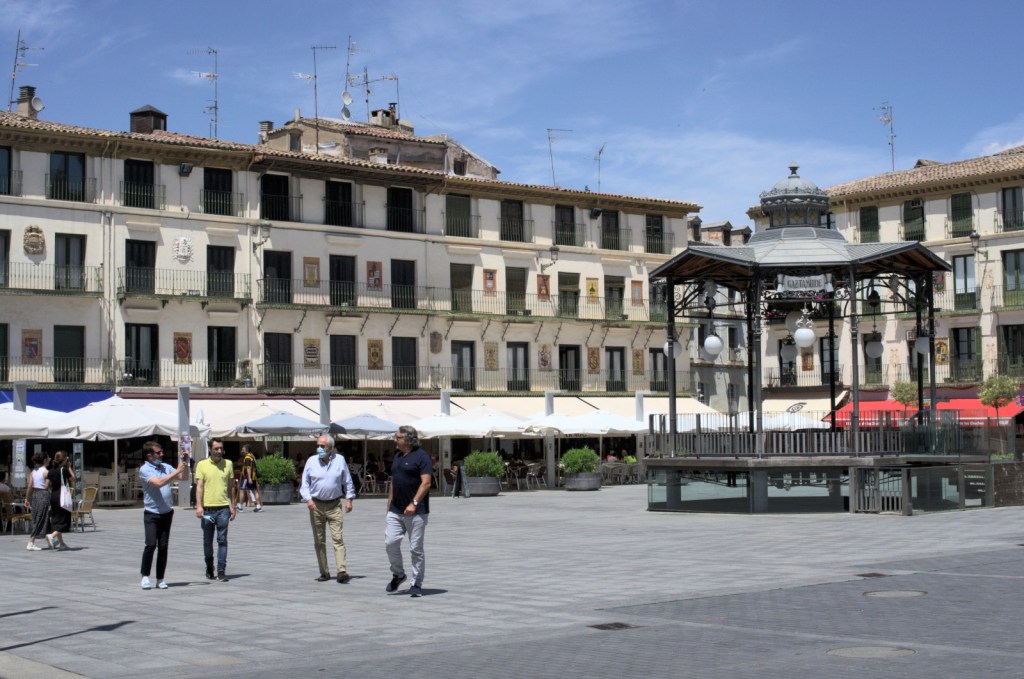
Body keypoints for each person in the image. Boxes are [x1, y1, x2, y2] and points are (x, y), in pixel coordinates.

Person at [299, 435, 356, 583]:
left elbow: (347, 480)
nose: (319, 448)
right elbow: (304, 484)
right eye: (318, 445)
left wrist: (349, 499)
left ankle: (341, 571)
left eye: (322, 446)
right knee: (319, 540)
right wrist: (308, 499)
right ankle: (324, 572)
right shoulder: (311, 461)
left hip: (334, 504)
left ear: (330, 448)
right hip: (316, 505)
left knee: (338, 538)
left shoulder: (340, 460)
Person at [385, 425, 432, 598]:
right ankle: (398, 574)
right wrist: (389, 502)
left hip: (416, 511)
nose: (395, 440)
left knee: (416, 548)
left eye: (397, 437)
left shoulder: (422, 457)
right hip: (396, 510)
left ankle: (416, 584)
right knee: (390, 543)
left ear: (408, 439)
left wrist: (414, 503)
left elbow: (426, 483)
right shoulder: (398, 456)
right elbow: (394, 480)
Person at [139, 441, 189, 589]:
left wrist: (184, 463)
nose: (162, 454)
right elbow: (159, 483)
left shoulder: (165, 467)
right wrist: (176, 472)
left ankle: (160, 578)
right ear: (149, 455)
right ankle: (145, 576)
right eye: (158, 452)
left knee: (163, 546)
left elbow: (183, 477)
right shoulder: (144, 469)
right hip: (152, 513)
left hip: (167, 512)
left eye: (162, 452)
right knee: (151, 544)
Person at [194, 440, 236, 582]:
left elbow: (231, 487)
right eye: (216, 448)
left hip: (223, 508)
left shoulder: (228, 464)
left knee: (222, 540)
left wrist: (233, 506)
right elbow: (199, 486)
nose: (219, 451)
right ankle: (209, 566)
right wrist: (199, 506)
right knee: (207, 541)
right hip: (207, 509)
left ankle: (221, 570)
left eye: (221, 449)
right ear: (210, 449)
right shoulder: (202, 465)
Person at [47, 451, 76, 550]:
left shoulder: (51, 470)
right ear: (64, 460)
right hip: (62, 496)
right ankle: (52, 536)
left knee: (56, 518)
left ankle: (62, 543)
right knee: (64, 519)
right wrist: (69, 468)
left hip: (53, 495)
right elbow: (73, 478)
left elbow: (47, 484)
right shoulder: (63, 470)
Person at [25, 452, 51, 551]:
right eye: (48, 458)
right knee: (41, 518)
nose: (49, 460)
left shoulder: (33, 472)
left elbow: (30, 486)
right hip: (43, 494)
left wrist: (27, 498)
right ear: (44, 460)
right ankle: (31, 542)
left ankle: (50, 540)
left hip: (35, 495)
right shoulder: (46, 472)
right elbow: (47, 486)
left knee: (40, 517)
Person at [238, 444, 263, 512]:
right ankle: (258, 506)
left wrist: (249, 478)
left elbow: (248, 468)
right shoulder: (252, 456)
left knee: (242, 490)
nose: (242, 451)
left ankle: (239, 506)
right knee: (255, 490)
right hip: (253, 476)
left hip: (247, 477)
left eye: (243, 450)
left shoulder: (247, 458)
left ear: (247, 450)